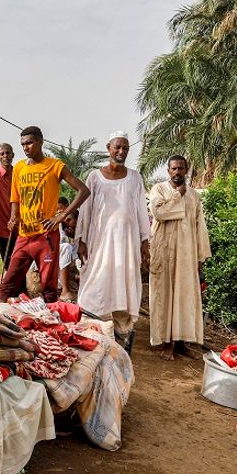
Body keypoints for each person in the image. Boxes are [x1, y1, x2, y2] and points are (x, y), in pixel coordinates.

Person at [0, 126, 90, 302]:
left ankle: (50, 325)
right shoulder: (18, 168)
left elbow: (83, 190)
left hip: (46, 236)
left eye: (30, 143)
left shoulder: (55, 166)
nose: (26, 147)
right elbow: (15, 198)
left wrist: (61, 215)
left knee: (48, 287)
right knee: (7, 284)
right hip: (24, 236)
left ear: (40, 142)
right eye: (23, 144)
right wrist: (13, 217)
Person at [75, 131, 151, 340]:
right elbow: (85, 210)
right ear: (109, 147)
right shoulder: (94, 177)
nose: (121, 151)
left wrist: (145, 241)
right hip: (100, 241)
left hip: (128, 242)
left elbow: (142, 212)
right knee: (96, 280)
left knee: (124, 281)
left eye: (125, 148)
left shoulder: (135, 178)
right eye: (117, 147)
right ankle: (91, 327)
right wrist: (81, 239)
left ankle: (123, 331)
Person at [148, 155, 211, 360]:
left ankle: (182, 343)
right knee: (165, 296)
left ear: (186, 170)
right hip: (164, 253)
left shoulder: (194, 196)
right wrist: (177, 195)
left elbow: (199, 226)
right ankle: (167, 344)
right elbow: (159, 213)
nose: (177, 172)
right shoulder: (158, 189)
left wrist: (200, 255)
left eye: (181, 169)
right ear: (168, 171)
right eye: (174, 169)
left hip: (187, 254)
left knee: (185, 297)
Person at [59, 211, 79, 302]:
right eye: (75, 223)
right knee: (66, 247)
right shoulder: (58, 226)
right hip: (46, 260)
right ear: (68, 220)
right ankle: (65, 291)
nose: (75, 227)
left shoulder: (70, 235)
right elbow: (61, 241)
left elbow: (75, 257)